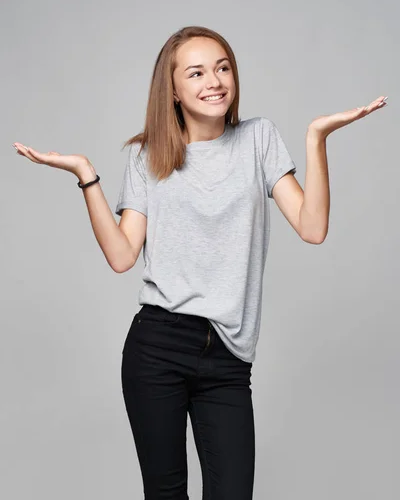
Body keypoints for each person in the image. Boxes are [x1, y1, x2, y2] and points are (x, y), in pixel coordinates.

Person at [13, 25, 387, 499]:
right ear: (172, 89)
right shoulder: (149, 156)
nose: (215, 80)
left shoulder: (259, 139)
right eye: (196, 72)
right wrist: (87, 176)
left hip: (229, 357)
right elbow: (123, 255)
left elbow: (312, 228)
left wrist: (317, 138)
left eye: (222, 67)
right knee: (166, 493)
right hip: (158, 346)